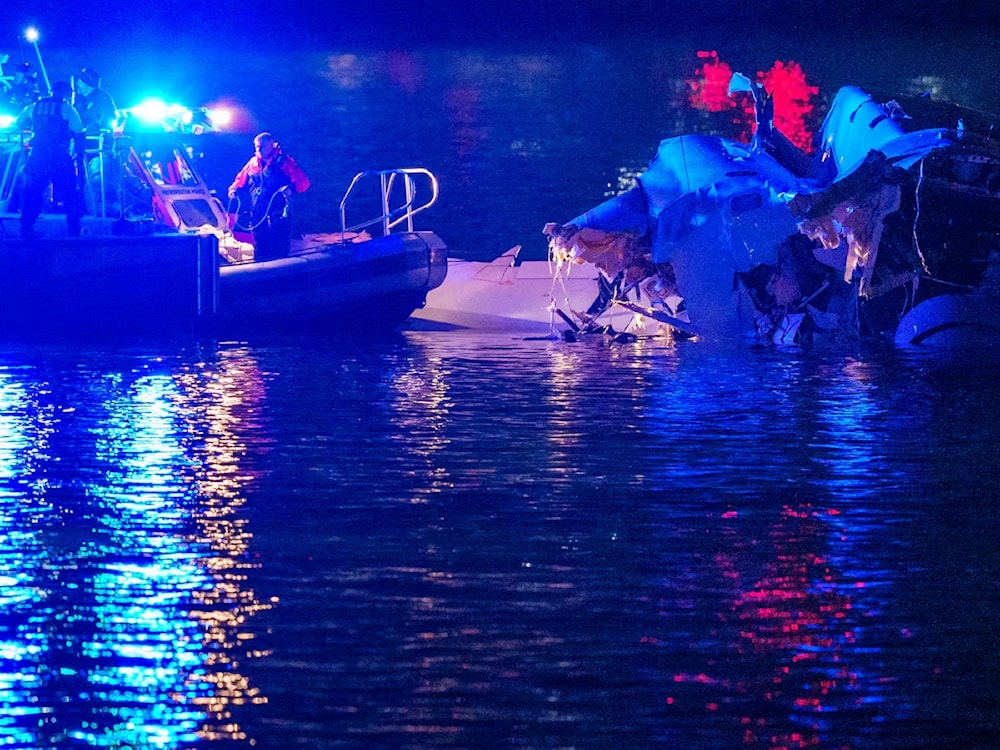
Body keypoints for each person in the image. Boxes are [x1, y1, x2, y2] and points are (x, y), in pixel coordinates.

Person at [17, 80, 86, 238]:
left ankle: (26, 227)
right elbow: (78, 131)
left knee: (33, 191)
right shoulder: (67, 108)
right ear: (65, 93)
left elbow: (19, 122)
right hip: (59, 156)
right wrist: (79, 155)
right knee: (69, 191)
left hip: (38, 156)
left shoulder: (35, 106)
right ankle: (74, 227)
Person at [227, 132, 310, 261]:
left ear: (271, 145)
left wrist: (291, 189)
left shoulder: (284, 162)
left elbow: (303, 182)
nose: (258, 150)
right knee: (260, 243)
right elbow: (240, 180)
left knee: (280, 242)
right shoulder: (253, 163)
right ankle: (260, 266)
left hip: (279, 210)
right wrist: (234, 190)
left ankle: (282, 268)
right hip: (258, 211)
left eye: (262, 147)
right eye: (256, 147)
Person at [73, 68, 117, 133]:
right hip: (79, 138)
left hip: (96, 139)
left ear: (87, 83)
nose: (77, 83)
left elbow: (105, 119)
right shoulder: (78, 99)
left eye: (80, 81)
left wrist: (93, 128)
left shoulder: (103, 99)